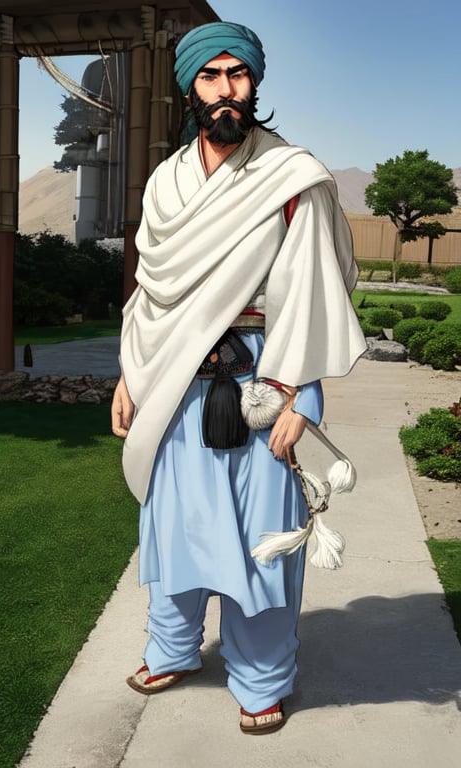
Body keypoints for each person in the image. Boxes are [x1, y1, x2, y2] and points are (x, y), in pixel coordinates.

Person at [111, 21, 366, 735]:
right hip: (174, 387)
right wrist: (131, 374)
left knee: (264, 540)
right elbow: (150, 293)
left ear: (254, 82)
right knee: (174, 528)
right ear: (190, 87)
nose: (226, 89)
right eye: (211, 75)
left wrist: (298, 390)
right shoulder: (166, 182)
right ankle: (173, 648)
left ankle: (261, 679)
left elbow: (312, 293)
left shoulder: (292, 179)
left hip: (262, 383)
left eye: (239, 75)